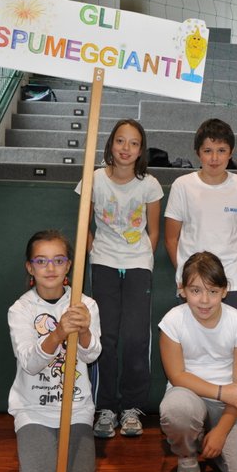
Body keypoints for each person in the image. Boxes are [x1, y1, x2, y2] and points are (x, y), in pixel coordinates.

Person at [75, 119, 163, 439]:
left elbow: (154, 231)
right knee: (106, 337)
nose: (126, 148)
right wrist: (94, 250)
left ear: (141, 150)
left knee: (136, 338)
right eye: (120, 141)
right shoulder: (94, 179)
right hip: (104, 263)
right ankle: (106, 407)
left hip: (138, 265)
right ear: (111, 144)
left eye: (134, 143)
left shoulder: (149, 184)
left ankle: (132, 408)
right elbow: (83, 223)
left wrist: (142, 258)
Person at [158, 251, 237, 472]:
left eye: (213, 291)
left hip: (227, 406)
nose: (204, 300)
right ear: (182, 290)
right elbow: (177, 376)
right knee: (175, 410)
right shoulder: (172, 321)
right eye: (196, 290)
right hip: (188, 395)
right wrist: (220, 391)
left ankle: (207, 441)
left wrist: (221, 432)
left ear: (225, 291)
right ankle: (187, 454)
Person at [7, 230, 101, 472]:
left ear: (69, 265)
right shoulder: (21, 309)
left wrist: (84, 330)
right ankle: (37, 446)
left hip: (76, 407)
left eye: (58, 260)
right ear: (30, 267)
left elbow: (92, 355)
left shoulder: (85, 305)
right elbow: (30, 363)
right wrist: (58, 333)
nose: (50, 268)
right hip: (34, 409)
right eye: (41, 261)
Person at [164, 118, 237, 313]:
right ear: (198, 153)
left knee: (232, 333)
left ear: (231, 152)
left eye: (221, 150)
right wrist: (186, 275)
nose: (214, 158)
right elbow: (171, 239)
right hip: (193, 282)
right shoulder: (182, 185)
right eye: (208, 151)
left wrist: (234, 270)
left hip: (233, 282)